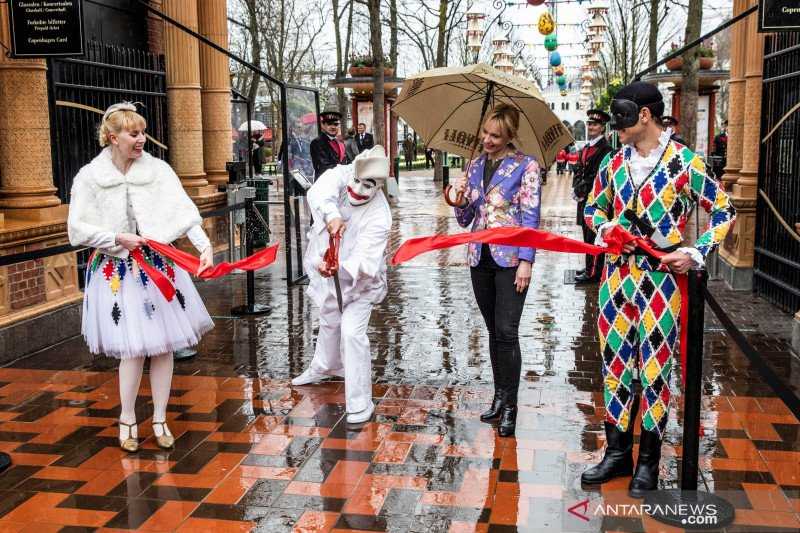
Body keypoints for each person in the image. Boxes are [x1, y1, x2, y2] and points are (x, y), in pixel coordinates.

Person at [581, 82, 736, 497]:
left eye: (623, 117)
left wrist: (697, 252)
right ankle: (616, 454)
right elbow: (593, 207)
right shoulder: (612, 163)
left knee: (653, 368)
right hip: (615, 278)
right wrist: (606, 225)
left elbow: (724, 210)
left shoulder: (685, 163)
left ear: (644, 115)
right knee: (615, 364)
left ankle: (648, 460)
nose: (616, 127)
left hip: (661, 280)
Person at [68, 102, 215, 453]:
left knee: (163, 346)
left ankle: (161, 417)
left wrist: (204, 246)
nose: (141, 140)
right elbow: (76, 228)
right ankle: (128, 418)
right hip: (117, 270)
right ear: (112, 137)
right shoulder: (90, 177)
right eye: (134, 134)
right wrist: (116, 238)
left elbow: (183, 211)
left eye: (143, 132)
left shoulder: (158, 170)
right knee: (133, 350)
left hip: (158, 266)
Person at [451, 103, 542, 437]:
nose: (488, 140)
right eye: (485, 133)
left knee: (507, 331)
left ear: (509, 136)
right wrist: (459, 199)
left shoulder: (525, 166)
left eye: (496, 136)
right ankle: (499, 395)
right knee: (493, 331)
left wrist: (526, 261)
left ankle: (511, 405)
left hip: (510, 261)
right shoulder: (474, 166)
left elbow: (531, 216)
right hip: (480, 257)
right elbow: (467, 218)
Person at [291, 146, 392, 425]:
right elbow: (318, 191)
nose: (359, 188)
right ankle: (324, 366)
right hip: (328, 271)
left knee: (351, 333)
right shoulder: (343, 173)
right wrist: (332, 214)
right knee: (329, 317)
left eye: (368, 185)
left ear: (379, 186)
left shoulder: (380, 215)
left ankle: (361, 402)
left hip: (359, 285)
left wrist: (338, 267)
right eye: (357, 180)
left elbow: (365, 261)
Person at [572, 109, 615, 284]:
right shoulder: (586, 147)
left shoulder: (606, 149)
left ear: (602, 127)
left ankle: (593, 273)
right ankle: (590, 266)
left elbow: (599, 176)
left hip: (596, 200)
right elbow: (579, 170)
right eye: (589, 123)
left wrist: (581, 190)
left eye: (595, 124)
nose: (591, 127)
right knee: (586, 236)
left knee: (594, 237)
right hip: (584, 199)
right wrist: (575, 188)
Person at [310, 108, 348, 178]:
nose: (333, 127)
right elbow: (324, 167)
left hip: (340, 183)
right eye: (329, 124)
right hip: (325, 184)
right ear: (323, 125)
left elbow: (345, 162)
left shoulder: (341, 143)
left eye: (336, 124)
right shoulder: (317, 143)